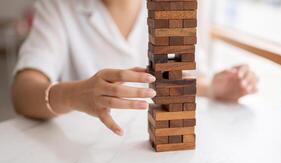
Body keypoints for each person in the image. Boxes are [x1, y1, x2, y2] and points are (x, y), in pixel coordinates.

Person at [11, 0, 258, 136]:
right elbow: (22, 92)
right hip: (80, 157)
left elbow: (184, 80)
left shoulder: (172, 8)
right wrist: (74, 94)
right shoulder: (57, 7)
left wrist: (216, 88)